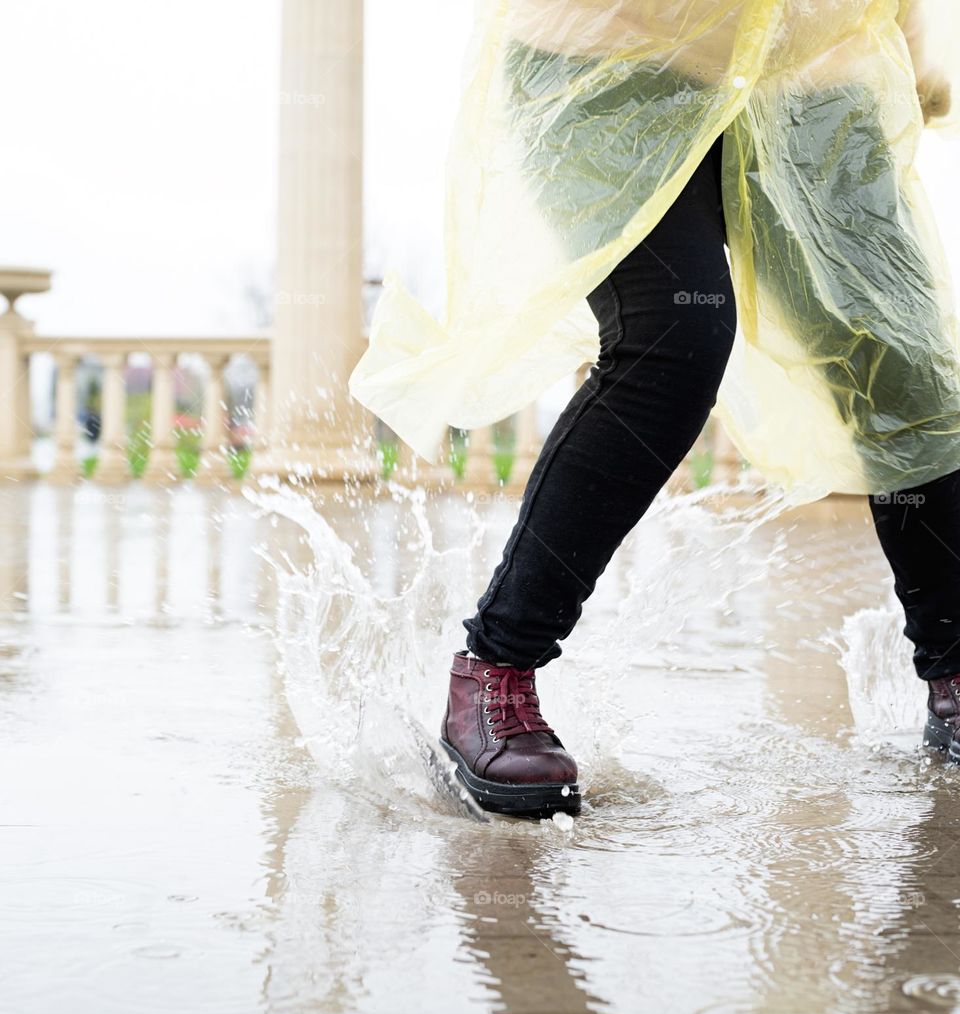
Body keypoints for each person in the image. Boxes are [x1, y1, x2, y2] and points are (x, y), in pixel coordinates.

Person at [350, 1, 960, 816]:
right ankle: (494, 676)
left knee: (903, 365)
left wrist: (911, 42)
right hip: (614, 54)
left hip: (814, 74)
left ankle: (956, 677)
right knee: (675, 335)